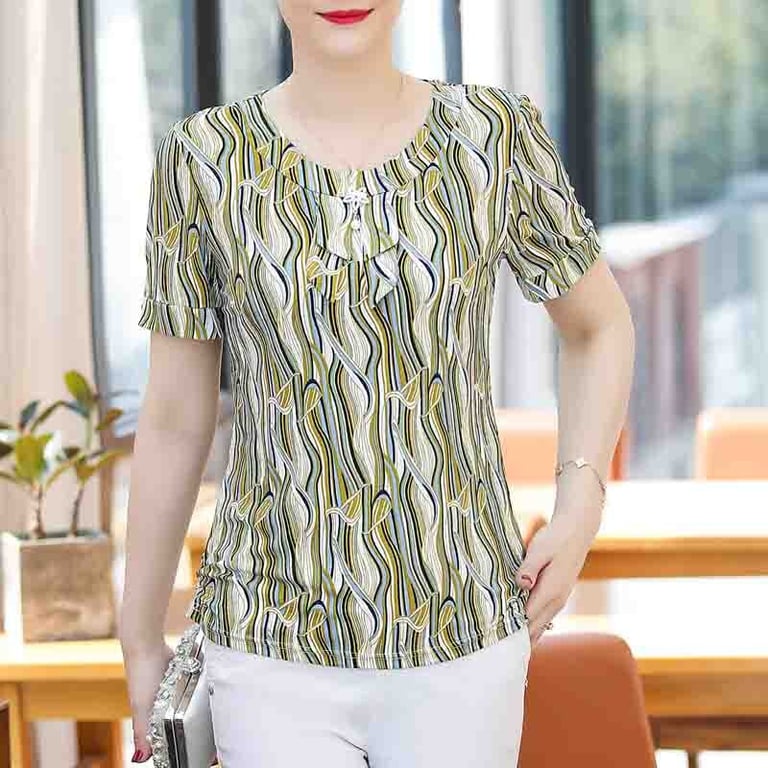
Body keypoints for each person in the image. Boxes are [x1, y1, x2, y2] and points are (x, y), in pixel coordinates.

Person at [119, 1, 634, 765]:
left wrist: (580, 505)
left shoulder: (494, 135)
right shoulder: (203, 158)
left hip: (464, 628)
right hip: (265, 638)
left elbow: (599, 326)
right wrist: (137, 637)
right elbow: (173, 417)